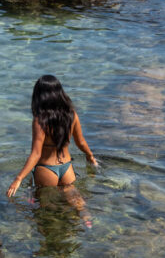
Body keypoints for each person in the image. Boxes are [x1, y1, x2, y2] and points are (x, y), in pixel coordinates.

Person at [6, 75, 98, 210]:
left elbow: (36, 153)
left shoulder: (40, 120)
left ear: (40, 96)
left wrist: (18, 179)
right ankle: (86, 220)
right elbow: (81, 142)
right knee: (78, 204)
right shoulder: (72, 115)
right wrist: (90, 156)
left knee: (45, 210)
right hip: (67, 169)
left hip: (46, 170)